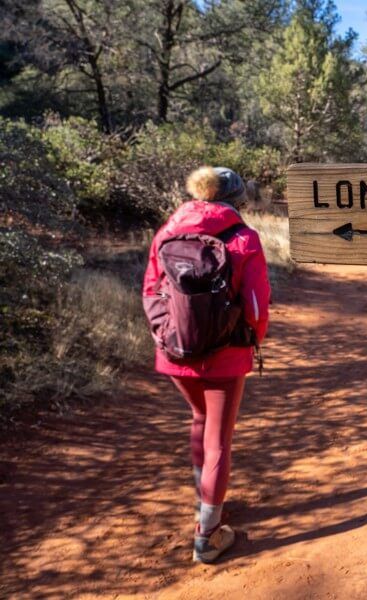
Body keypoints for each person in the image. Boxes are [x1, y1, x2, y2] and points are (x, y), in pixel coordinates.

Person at [143, 166, 270, 564]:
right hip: (226, 355)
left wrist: (165, 338)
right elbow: (255, 306)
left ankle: (206, 502)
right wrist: (251, 341)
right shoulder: (244, 238)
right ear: (235, 201)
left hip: (175, 352)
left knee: (199, 419)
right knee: (219, 438)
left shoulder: (168, 231)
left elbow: (150, 292)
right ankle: (209, 534)